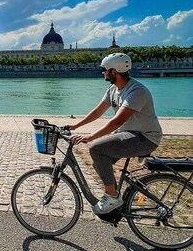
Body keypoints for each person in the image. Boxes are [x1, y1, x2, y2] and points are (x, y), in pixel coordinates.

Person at [68, 53, 162, 214]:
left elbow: (117, 121)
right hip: (128, 134)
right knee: (99, 164)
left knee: (96, 148)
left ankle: (112, 197)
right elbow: (98, 111)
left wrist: (90, 137)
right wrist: (75, 125)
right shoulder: (113, 89)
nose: (102, 72)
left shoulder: (136, 91)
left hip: (145, 137)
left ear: (114, 71)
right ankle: (115, 197)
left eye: (104, 69)